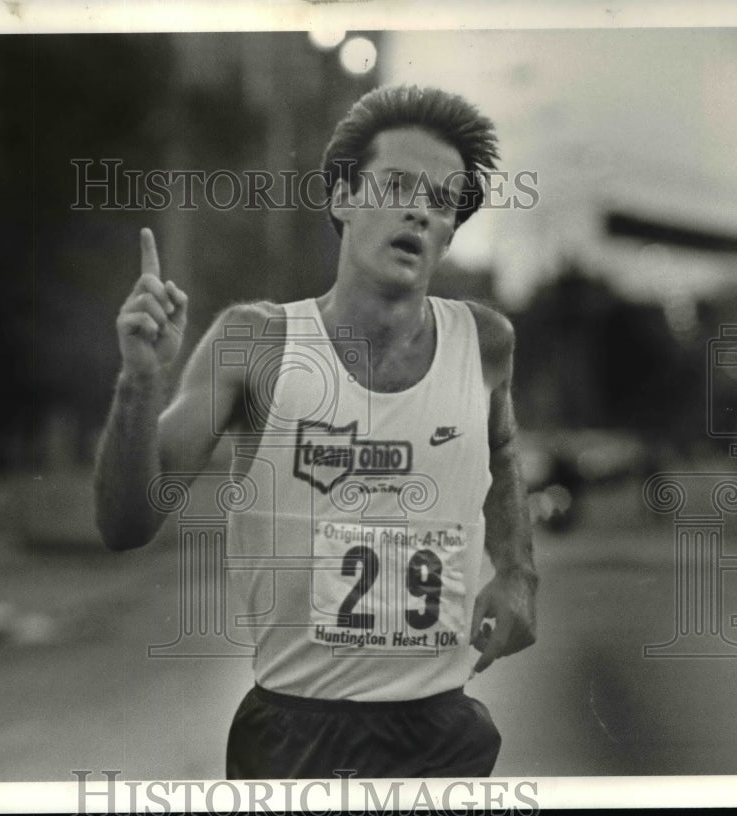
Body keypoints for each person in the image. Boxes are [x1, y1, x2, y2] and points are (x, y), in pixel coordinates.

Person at [94, 84, 538, 779]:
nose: (418, 210)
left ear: (451, 231)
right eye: (396, 185)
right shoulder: (255, 343)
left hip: (443, 731)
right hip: (295, 732)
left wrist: (517, 572)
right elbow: (126, 522)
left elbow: (503, 448)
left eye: (441, 201)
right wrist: (139, 380)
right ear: (342, 199)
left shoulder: (484, 342)